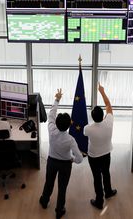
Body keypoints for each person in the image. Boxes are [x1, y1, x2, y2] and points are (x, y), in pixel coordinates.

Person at [39, 89, 83, 219]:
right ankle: (59, 210)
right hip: (65, 165)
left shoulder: (51, 129)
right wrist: (72, 160)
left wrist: (57, 99)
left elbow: (51, 114)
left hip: (52, 162)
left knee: (49, 182)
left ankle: (44, 201)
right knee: (62, 188)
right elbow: (80, 159)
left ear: (57, 123)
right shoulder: (71, 140)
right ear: (69, 125)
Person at [84, 83, 117, 210]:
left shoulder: (88, 129)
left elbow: (84, 133)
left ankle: (99, 201)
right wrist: (102, 92)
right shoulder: (109, 121)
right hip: (106, 153)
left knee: (97, 177)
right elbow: (108, 105)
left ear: (92, 117)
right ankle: (108, 192)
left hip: (93, 156)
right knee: (106, 173)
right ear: (103, 116)